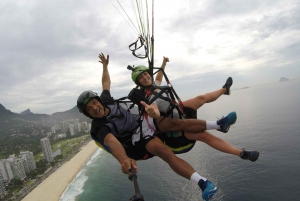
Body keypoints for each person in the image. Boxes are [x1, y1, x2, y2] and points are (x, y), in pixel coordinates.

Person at [77, 53, 240, 200]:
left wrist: (105, 66)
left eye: (93, 103)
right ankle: (202, 182)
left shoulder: (106, 100)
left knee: (181, 120)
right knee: (164, 151)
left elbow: (106, 83)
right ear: (88, 114)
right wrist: (124, 160)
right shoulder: (99, 127)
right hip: (136, 139)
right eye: (89, 110)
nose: (94, 108)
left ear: (98, 100)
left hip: (143, 121)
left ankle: (219, 119)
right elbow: (112, 142)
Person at [129, 56, 259, 162]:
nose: (145, 77)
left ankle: (225, 90)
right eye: (141, 78)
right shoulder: (147, 97)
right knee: (204, 136)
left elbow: (158, 76)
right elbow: (155, 110)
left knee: (200, 98)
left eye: (146, 74)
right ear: (139, 83)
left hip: (177, 109)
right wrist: (153, 113)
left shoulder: (154, 85)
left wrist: (163, 63)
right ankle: (241, 153)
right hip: (173, 126)